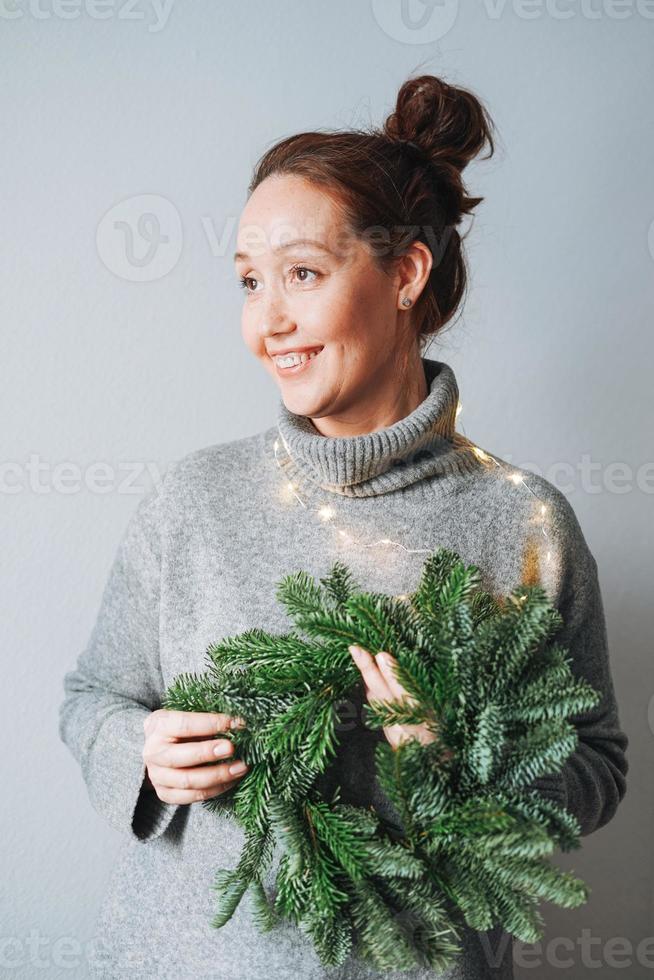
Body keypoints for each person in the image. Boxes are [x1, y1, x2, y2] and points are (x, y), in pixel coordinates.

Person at [58, 74, 628, 979]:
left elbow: (595, 768)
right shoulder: (193, 502)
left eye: (302, 274)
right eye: (250, 281)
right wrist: (143, 753)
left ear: (405, 273)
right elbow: (92, 698)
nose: (267, 321)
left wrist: (463, 755)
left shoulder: (522, 520)